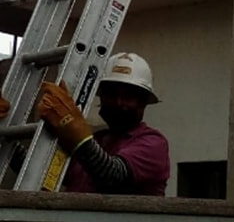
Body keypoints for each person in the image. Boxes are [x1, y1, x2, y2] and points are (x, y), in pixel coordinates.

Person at [0, 51, 170, 195]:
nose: (119, 103)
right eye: (111, 94)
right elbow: (39, 171)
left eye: (128, 96)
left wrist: (74, 131)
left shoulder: (153, 143)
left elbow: (112, 174)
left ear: (143, 102)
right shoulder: (97, 140)